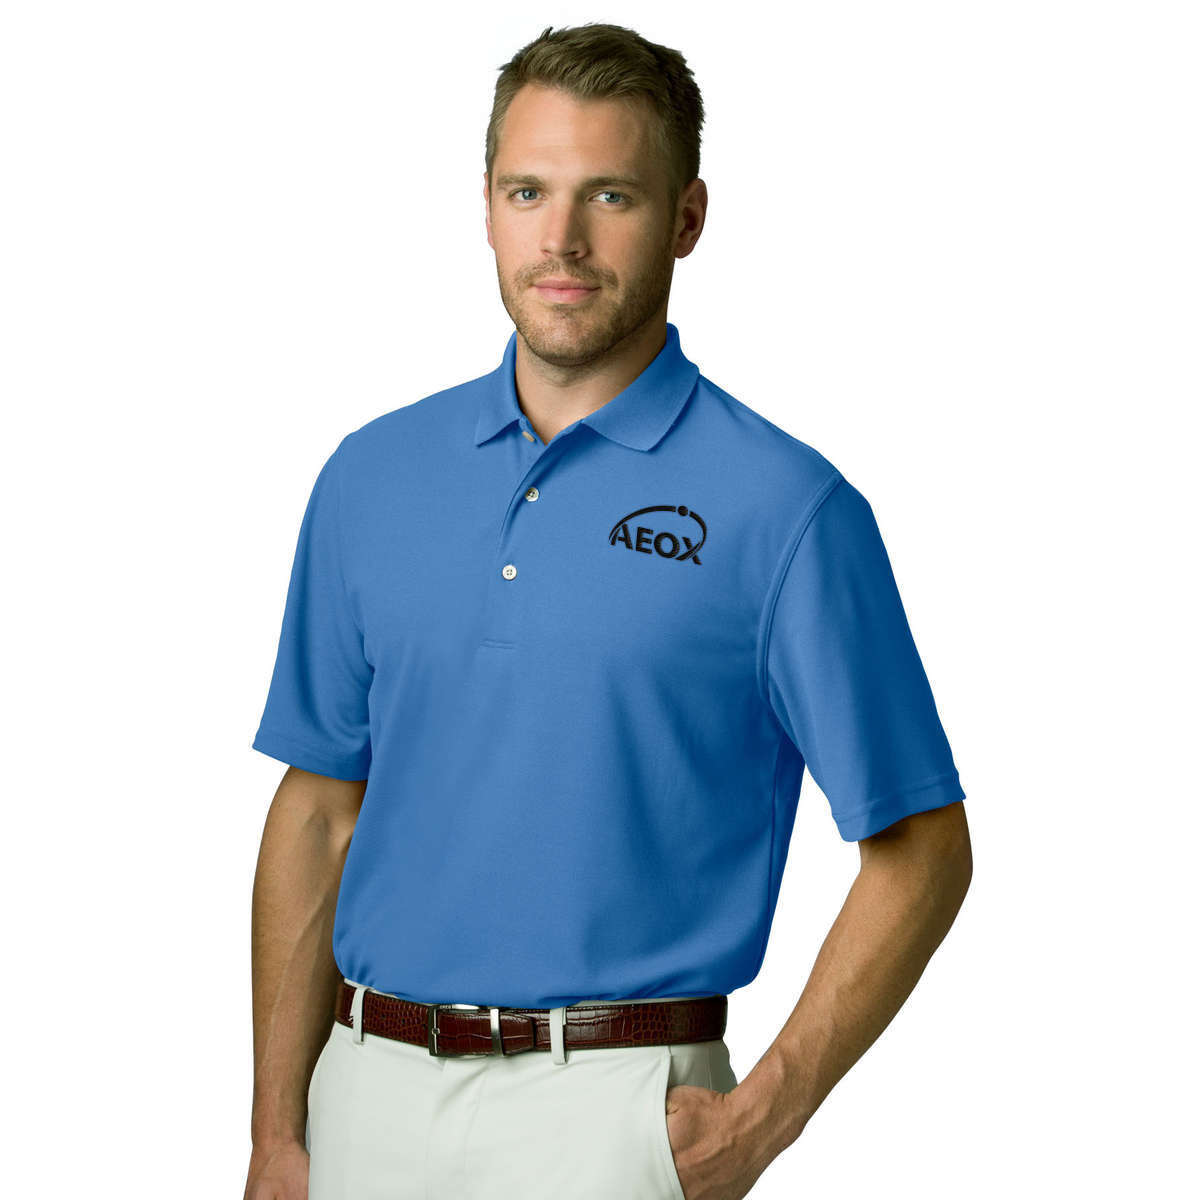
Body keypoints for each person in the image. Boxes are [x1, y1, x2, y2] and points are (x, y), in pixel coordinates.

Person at [242, 21, 972, 1200]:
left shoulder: (788, 509)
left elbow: (923, 848)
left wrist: (764, 1117)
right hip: (363, 1094)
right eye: (528, 191)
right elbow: (320, 810)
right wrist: (277, 1130)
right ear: (487, 205)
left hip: (616, 1111)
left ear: (686, 218)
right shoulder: (370, 478)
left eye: (611, 195)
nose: (562, 239)